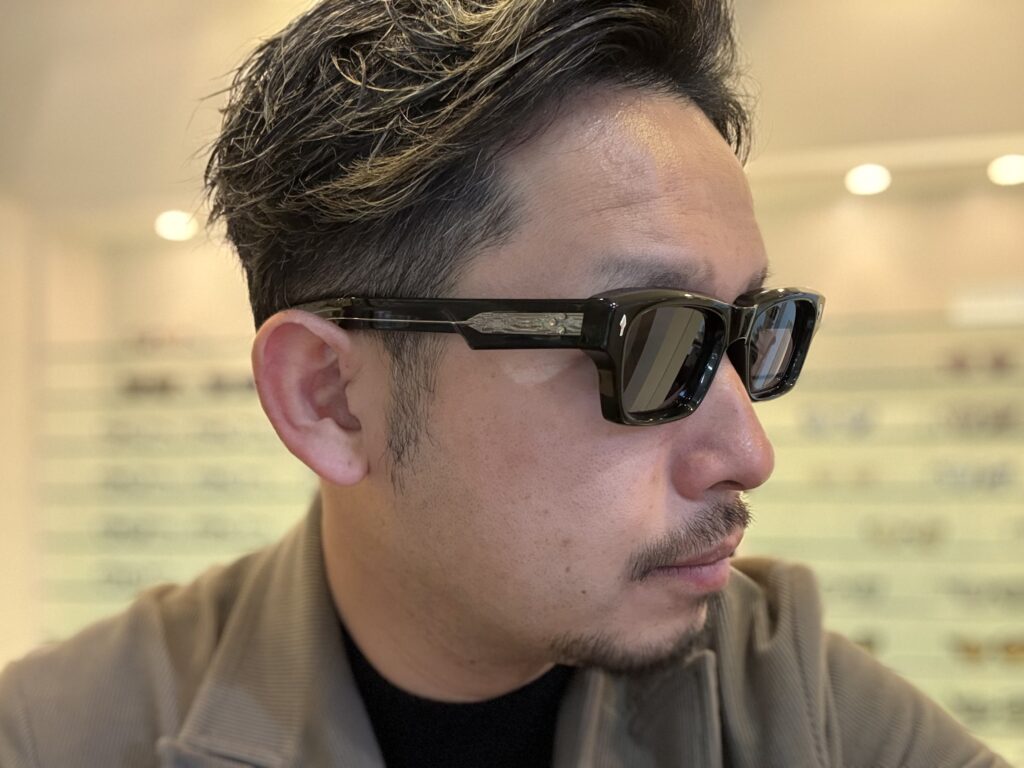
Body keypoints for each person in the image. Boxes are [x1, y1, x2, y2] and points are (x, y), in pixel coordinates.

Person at [0, 1, 1009, 766]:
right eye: (649, 343)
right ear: (330, 399)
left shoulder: (794, 701)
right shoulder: (60, 734)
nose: (748, 453)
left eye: (747, 332)